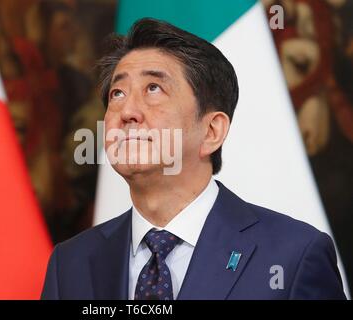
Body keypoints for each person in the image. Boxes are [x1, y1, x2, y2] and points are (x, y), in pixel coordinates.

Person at [41, 18, 346, 300]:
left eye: (153, 88)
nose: (127, 112)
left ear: (212, 131)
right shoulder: (70, 264)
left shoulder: (293, 256)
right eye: (117, 93)